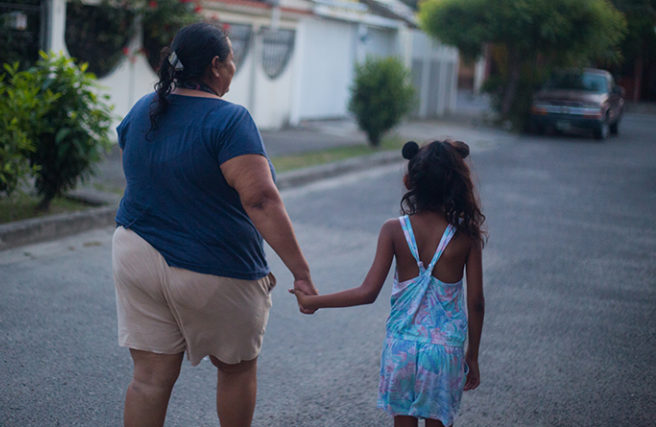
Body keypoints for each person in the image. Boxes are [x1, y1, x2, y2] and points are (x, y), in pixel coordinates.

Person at [111, 22, 317, 427]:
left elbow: (142, 163)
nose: (234, 67)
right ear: (215, 66)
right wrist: (301, 272)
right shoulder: (229, 120)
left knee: (149, 379)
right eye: (232, 59)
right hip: (214, 266)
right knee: (236, 368)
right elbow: (259, 198)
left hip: (136, 253)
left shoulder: (143, 109)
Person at [292, 140, 486, 427]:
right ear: (458, 183)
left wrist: (313, 302)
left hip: (402, 349)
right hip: (444, 351)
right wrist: (473, 356)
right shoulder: (465, 237)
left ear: (410, 181)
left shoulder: (394, 230)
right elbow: (477, 303)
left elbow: (367, 292)